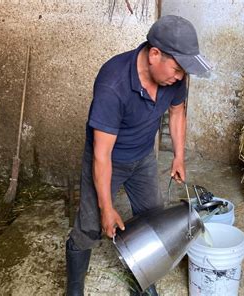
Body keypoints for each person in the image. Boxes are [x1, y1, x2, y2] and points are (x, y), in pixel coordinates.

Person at [65, 15, 211, 296]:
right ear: (154, 54)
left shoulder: (174, 77)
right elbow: (102, 155)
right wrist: (107, 208)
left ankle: (143, 280)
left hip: (143, 156)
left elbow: (178, 112)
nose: (180, 78)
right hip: (109, 160)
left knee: (153, 217)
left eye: (183, 72)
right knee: (91, 225)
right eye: (178, 69)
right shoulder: (113, 84)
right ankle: (73, 288)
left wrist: (178, 156)